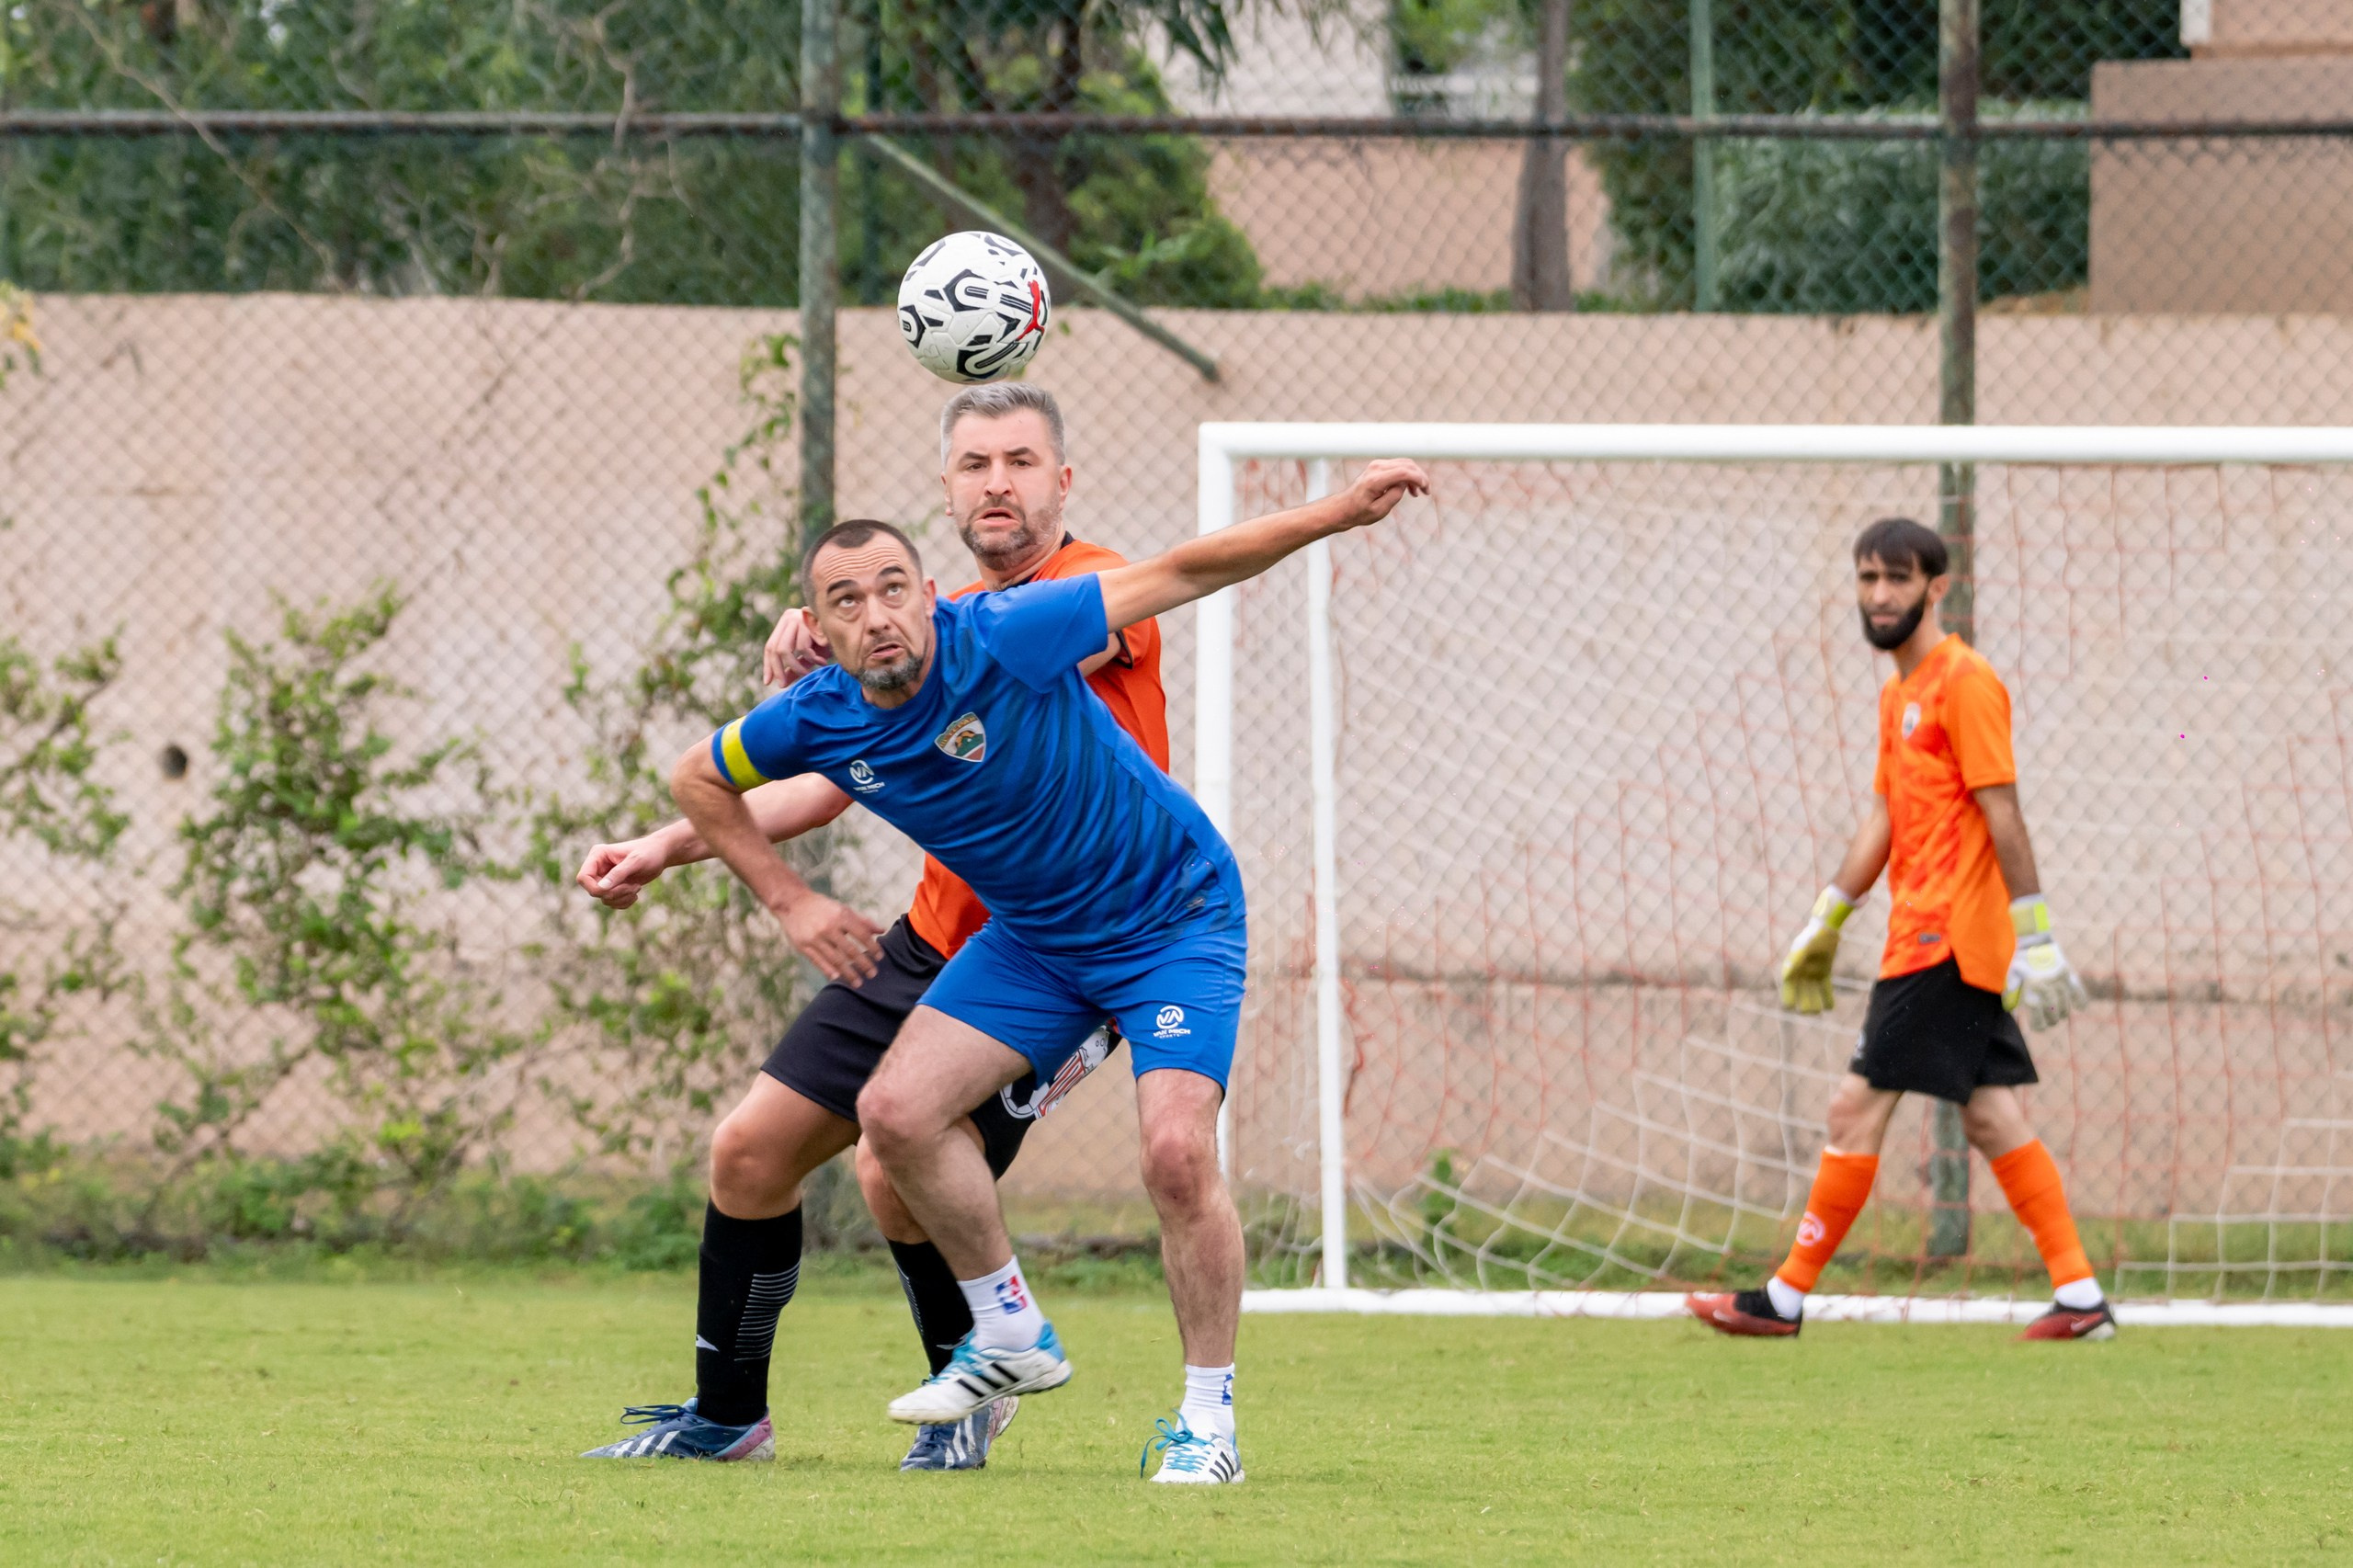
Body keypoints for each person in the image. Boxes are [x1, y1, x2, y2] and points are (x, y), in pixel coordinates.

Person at [673, 456, 1429, 1484]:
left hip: (1174, 915)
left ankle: (1207, 1421)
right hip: (1035, 936)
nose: (878, 614)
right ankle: (1010, 1330)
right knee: (893, 1116)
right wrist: (790, 899)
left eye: (895, 587)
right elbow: (699, 777)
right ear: (815, 631)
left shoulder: (1010, 633)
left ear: (932, 596)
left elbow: (1188, 567)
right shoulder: (816, 716)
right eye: (845, 601)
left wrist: (1340, 510)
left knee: (1173, 1154)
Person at [581, 383, 1165, 1468]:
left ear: (1063, 481)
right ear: (945, 490)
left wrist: (856, 641)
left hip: (1063, 958)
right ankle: (726, 1417)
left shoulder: (1084, 593)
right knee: (750, 1150)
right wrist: (663, 844)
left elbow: (1009, 665)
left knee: (893, 1169)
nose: (999, 482)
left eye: (1022, 461)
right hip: (934, 940)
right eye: (975, 464)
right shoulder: (913, 618)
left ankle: (971, 1393)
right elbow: (834, 776)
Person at [1686, 517, 2111, 1341]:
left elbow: (2003, 811)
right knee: (1990, 1117)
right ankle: (2083, 1298)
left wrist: (2040, 935)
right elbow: (1884, 815)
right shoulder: (1897, 696)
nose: (1879, 596)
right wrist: (1827, 916)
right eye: (1867, 579)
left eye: (1897, 580)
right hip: (1922, 935)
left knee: (1853, 1110)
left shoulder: (1966, 681)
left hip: (1944, 941)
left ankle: (1784, 1298)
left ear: (1936, 587)